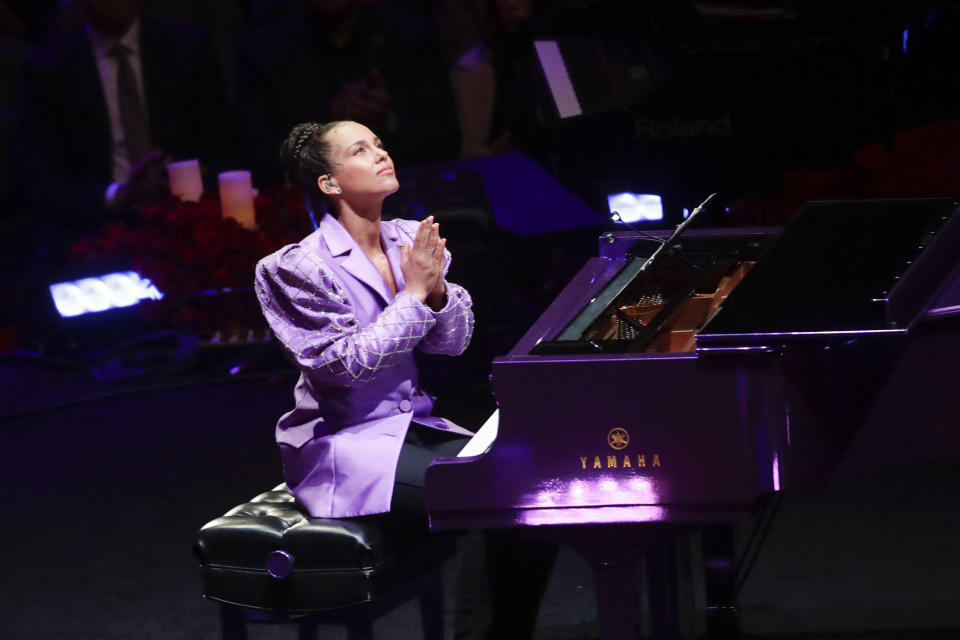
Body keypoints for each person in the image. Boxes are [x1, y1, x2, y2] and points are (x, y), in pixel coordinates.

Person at [254, 120, 475, 520]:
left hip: (412, 427)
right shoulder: (297, 267)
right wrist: (414, 294)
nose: (381, 154)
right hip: (342, 445)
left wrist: (437, 290)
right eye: (360, 151)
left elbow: (451, 344)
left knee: (530, 486)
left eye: (379, 144)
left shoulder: (408, 239)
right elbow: (346, 368)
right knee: (488, 493)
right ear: (330, 184)